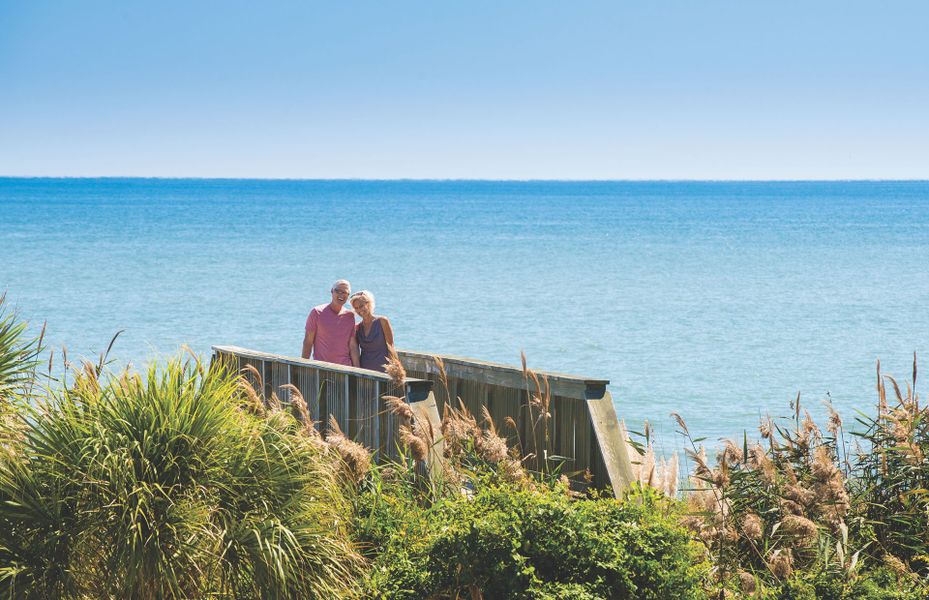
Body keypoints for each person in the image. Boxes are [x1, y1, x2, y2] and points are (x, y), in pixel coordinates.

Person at [302, 279, 357, 366]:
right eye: (337, 291)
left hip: (345, 369)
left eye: (344, 292)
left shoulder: (350, 316)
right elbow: (308, 342)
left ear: (348, 295)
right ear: (332, 291)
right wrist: (303, 366)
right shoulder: (316, 312)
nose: (341, 295)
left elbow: (353, 346)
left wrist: (358, 370)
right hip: (322, 367)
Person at [348, 290, 395, 372]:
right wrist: (358, 370)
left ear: (368, 303)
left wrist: (393, 369)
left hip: (383, 371)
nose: (360, 310)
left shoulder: (382, 321)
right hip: (365, 371)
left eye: (361, 306)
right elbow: (354, 350)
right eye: (356, 308)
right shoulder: (357, 328)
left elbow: (391, 347)